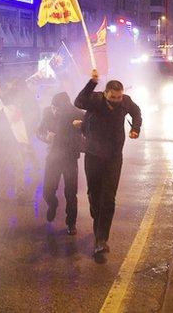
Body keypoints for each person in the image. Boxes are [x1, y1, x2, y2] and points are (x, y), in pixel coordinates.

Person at [74, 70, 142, 263]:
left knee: (109, 198)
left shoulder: (125, 101)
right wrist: (92, 82)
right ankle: (98, 226)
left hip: (113, 157)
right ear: (106, 94)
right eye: (113, 97)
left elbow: (136, 112)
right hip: (93, 156)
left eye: (119, 97)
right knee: (94, 197)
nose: (117, 100)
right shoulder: (95, 99)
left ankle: (101, 239)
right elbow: (79, 102)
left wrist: (135, 128)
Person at [37, 92, 84, 235]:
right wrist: (46, 137)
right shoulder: (47, 112)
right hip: (53, 157)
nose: (55, 111)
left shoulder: (77, 113)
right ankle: (53, 204)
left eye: (58, 109)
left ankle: (71, 223)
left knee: (70, 193)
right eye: (53, 107)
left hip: (69, 157)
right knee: (47, 190)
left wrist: (81, 128)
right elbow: (39, 131)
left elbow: (89, 129)